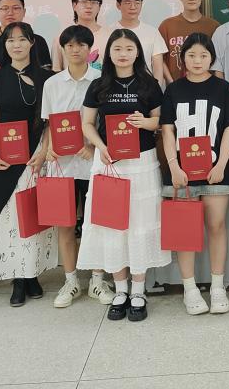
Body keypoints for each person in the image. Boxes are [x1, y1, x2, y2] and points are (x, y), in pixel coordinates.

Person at [77, 29, 171, 322]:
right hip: (109, 162)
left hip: (141, 163)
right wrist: (100, 146)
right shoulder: (98, 84)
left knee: (139, 224)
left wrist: (145, 123)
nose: (123, 54)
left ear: (137, 52)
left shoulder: (149, 84)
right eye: (117, 48)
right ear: (109, 52)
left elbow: (161, 121)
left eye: (129, 48)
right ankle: (120, 290)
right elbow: (87, 123)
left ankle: (138, 291)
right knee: (112, 225)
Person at [0, 22, 57, 306]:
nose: (17, 45)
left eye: (22, 39)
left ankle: (32, 273)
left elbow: (52, 121)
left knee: (34, 215)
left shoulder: (48, 78)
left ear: (32, 42)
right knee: (11, 218)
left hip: (37, 157)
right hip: (5, 158)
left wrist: (44, 150)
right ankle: (18, 278)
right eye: (11, 41)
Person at [160, 33, 229, 316]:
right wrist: (174, 166)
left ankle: (218, 287)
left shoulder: (223, 88)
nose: (197, 61)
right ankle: (190, 289)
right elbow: (167, 130)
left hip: (216, 172)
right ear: (183, 58)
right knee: (185, 230)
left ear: (212, 58)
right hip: (182, 174)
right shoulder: (173, 90)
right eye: (192, 55)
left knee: (216, 226)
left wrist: (221, 165)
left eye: (203, 55)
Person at [40, 24, 113, 308]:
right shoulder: (52, 84)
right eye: (69, 45)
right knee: (65, 225)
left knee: (98, 223)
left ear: (90, 49)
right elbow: (49, 124)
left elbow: (105, 123)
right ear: (62, 49)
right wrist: (47, 149)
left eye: (81, 45)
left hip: (93, 164)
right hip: (62, 167)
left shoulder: (101, 80)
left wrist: (93, 146)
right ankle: (70, 281)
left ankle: (97, 280)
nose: (75, 49)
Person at [94, 0, 167, 85]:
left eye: (137, 2)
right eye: (127, 3)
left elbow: (158, 67)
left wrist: (156, 89)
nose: (133, 7)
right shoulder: (108, 31)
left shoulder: (152, 32)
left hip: (145, 88)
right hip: (115, 87)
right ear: (118, 5)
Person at [159, 0, 220, 82]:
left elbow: (218, 60)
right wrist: (171, 82)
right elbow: (160, 59)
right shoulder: (167, 25)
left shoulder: (213, 26)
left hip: (206, 85)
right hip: (175, 86)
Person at [0, 0, 52, 70]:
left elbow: (46, 72)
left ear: (24, 12)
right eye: (5, 8)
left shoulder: (38, 40)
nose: (10, 13)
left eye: (16, 8)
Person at [51, 0, 105, 73]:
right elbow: (56, 71)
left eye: (94, 2)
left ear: (99, 7)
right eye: (84, 2)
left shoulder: (111, 36)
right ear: (74, 5)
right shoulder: (61, 38)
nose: (89, 6)